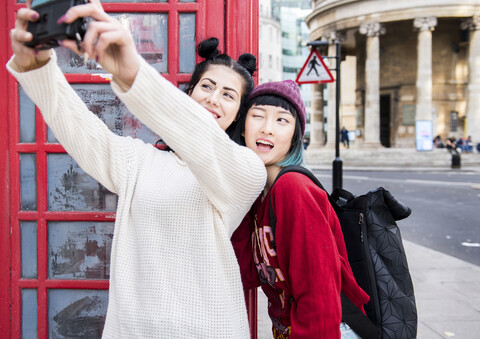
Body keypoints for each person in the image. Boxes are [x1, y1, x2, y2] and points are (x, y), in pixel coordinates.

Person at [8, 1, 266, 338]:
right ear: (188, 94)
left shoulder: (245, 170)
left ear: (239, 116)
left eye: (229, 95)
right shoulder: (139, 161)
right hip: (132, 330)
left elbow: (197, 135)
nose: (214, 98)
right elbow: (79, 128)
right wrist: (37, 67)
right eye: (206, 86)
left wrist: (130, 71)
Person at [231, 80, 369, 338]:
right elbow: (249, 275)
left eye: (282, 120)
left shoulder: (293, 189)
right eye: (257, 116)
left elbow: (320, 297)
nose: (267, 129)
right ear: (242, 128)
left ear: (295, 135)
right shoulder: (262, 196)